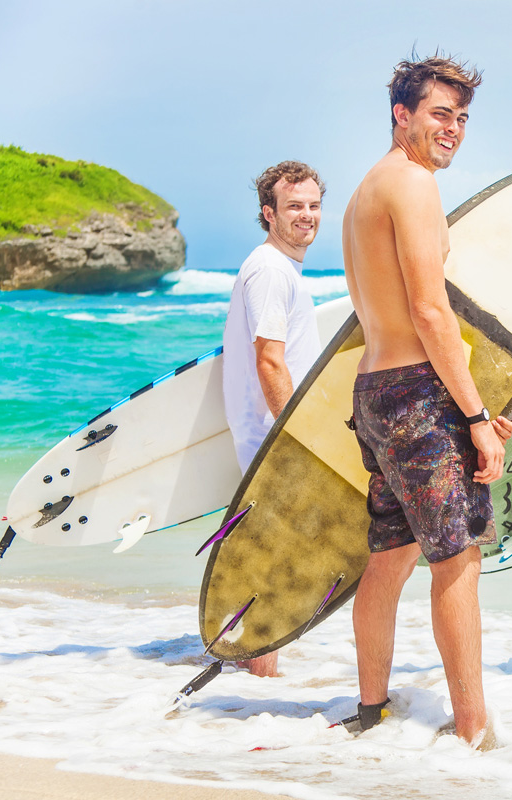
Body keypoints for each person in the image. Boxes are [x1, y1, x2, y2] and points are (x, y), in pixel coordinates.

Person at [339, 54, 512, 747]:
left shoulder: (365, 192)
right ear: (402, 115)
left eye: (462, 118)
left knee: (389, 556)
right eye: (441, 114)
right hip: (416, 393)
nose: (454, 129)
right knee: (457, 557)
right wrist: (475, 419)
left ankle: (370, 710)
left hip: (376, 391)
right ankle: (473, 731)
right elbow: (430, 311)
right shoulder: (411, 185)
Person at [222, 160, 326, 678]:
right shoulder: (269, 270)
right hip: (273, 438)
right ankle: (259, 679)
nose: (306, 216)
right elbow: (269, 359)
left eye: (312, 205)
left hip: (269, 436)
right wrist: (296, 434)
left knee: (271, 560)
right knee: (275, 564)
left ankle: (255, 674)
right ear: (269, 213)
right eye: (293, 207)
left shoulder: (281, 270)